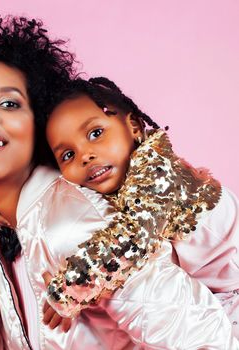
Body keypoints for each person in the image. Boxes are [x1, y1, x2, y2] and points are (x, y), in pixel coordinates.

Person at [0, 12, 238, 349]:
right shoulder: (10, 231)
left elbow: (207, 339)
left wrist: (73, 287)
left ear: (40, 124)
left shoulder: (70, 224)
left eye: (8, 103)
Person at [44, 77, 239, 337]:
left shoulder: (158, 173)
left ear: (134, 126)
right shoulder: (118, 186)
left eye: (95, 133)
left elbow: (131, 242)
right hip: (218, 296)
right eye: (68, 155)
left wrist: (67, 292)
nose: (85, 155)